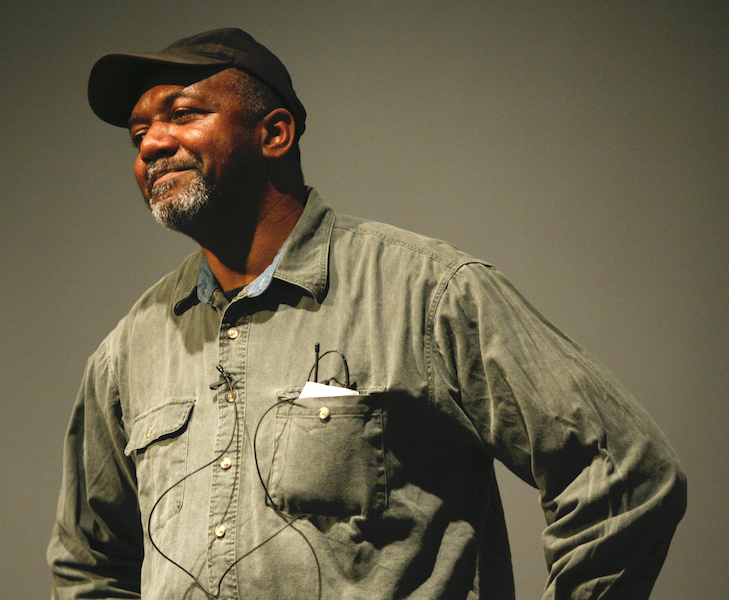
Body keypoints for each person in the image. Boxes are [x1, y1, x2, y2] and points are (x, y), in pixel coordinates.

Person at [48, 28, 687, 600]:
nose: (153, 144)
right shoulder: (127, 352)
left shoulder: (428, 293)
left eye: (182, 115)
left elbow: (623, 469)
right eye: (139, 135)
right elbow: (88, 566)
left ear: (274, 134)